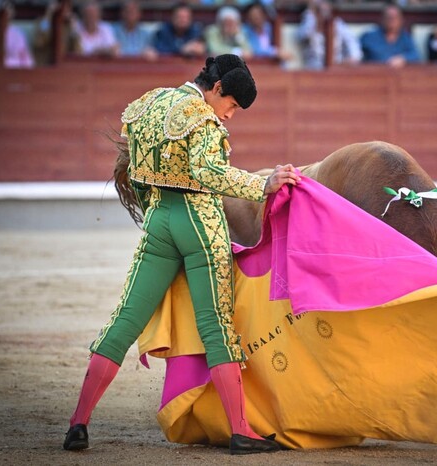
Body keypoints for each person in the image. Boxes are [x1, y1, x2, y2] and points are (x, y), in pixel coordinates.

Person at [63, 54, 299, 455]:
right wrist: (264, 185)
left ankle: (78, 422)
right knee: (217, 327)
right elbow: (209, 173)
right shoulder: (202, 118)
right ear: (219, 88)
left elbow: (134, 170)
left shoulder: (150, 103)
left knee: (124, 320)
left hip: (158, 221)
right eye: (232, 106)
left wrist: (155, 210)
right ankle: (241, 430)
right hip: (199, 226)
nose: (230, 116)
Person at [297, 0, 362, 69]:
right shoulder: (309, 23)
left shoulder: (338, 24)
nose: (323, 14)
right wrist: (314, 21)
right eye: (320, 11)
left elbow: (353, 45)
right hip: (313, 69)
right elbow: (302, 36)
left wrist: (351, 58)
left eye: (326, 11)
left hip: (336, 68)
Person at [0, 0, 34, 68]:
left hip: (14, 73)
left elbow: (27, 61)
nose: (1, 21)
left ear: (9, 18)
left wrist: (8, 63)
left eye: (4, 18)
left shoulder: (18, 35)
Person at [360, 3, 418, 68]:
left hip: (399, 75)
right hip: (373, 74)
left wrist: (403, 58)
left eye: (395, 18)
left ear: (401, 20)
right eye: (389, 17)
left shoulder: (405, 38)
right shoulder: (369, 37)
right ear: (382, 19)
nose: (392, 21)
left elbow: (415, 55)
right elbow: (356, 53)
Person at [32, 1, 80, 65]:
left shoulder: (68, 26)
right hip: (44, 66)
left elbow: (78, 52)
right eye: (62, 6)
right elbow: (39, 42)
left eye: (68, 7)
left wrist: (74, 30)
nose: (65, 9)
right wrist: (48, 16)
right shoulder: (43, 22)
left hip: (63, 68)